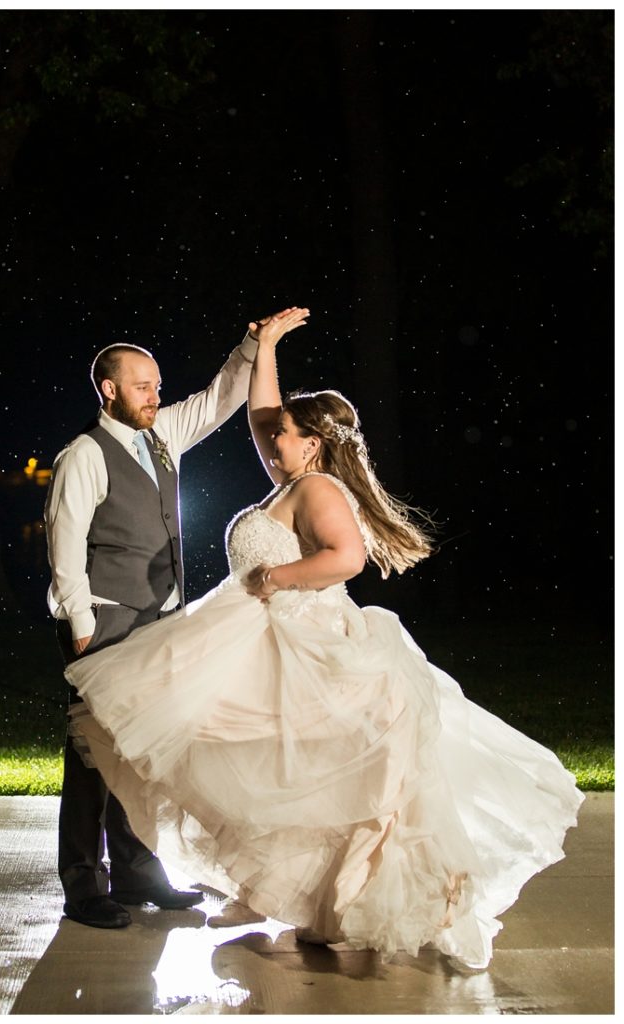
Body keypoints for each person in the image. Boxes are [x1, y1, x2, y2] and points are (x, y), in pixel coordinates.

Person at [62, 309, 583, 967]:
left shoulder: (316, 488)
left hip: (309, 644)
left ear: (310, 443)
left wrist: (278, 574)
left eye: (282, 434)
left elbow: (346, 559)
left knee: (323, 774)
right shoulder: (288, 478)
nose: (268, 436)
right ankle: (291, 894)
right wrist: (265, 346)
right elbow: (260, 409)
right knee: (266, 766)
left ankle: (373, 894)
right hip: (265, 640)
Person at [44, 307, 310, 930]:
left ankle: (138, 872)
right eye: (143, 386)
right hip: (103, 622)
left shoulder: (160, 434)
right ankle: (85, 885)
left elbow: (219, 400)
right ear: (108, 389)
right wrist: (80, 620)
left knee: (142, 753)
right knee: (92, 756)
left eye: (157, 385)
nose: (154, 395)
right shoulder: (82, 455)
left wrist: (252, 348)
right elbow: (64, 544)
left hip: (158, 619)